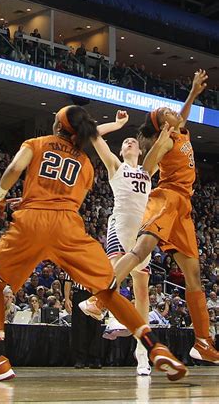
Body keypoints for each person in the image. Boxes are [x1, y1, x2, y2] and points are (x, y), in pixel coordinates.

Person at [0, 105, 187, 381]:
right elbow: (69, 193)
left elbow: (13, 169)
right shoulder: (87, 164)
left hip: (33, 222)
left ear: (58, 126)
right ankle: (155, 346)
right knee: (108, 290)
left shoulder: (37, 143)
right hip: (70, 225)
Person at [85, 70, 219, 365]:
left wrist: (194, 93)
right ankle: (99, 298)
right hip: (165, 199)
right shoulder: (167, 140)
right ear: (162, 126)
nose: (173, 112)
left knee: (193, 275)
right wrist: (158, 141)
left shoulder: (180, 130)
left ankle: (202, 341)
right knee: (142, 251)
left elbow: (182, 116)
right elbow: (147, 166)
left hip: (184, 206)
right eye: (167, 113)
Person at [80, 110, 155, 375]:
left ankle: (142, 352)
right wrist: (118, 124)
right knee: (116, 275)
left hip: (142, 232)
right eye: (124, 143)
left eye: (131, 141)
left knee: (142, 293)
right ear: (121, 152)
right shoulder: (115, 166)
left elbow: (161, 149)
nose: (128, 142)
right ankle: (109, 314)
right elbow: (94, 134)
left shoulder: (148, 170)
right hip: (119, 226)